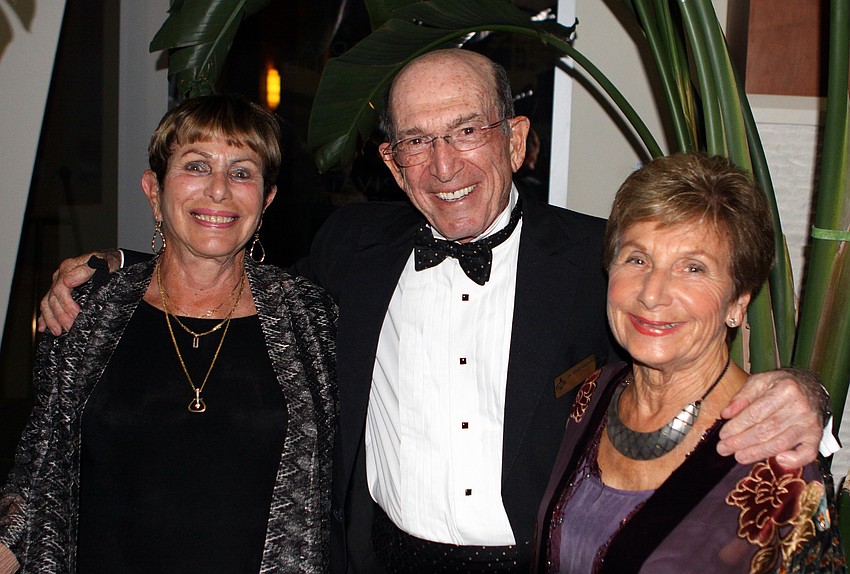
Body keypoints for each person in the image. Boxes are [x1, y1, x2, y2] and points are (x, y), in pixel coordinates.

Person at [37, 50, 829, 573]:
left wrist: (806, 395)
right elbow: (231, 283)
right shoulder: (352, 247)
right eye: (416, 141)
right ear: (391, 162)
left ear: (515, 140)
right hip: (376, 558)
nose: (444, 165)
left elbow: (689, 327)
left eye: (466, 131)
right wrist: (119, 267)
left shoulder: (605, 262)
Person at [0, 95, 337, 573]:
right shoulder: (87, 310)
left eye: (242, 172)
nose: (219, 190)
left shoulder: (311, 318)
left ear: (266, 200)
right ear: (153, 190)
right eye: (196, 166)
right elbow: (39, 469)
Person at [534, 153, 843, 573]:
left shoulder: (774, 451)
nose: (652, 293)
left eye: (693, 268)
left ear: (738, 302)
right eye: (637, 259)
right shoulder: (594, 393)